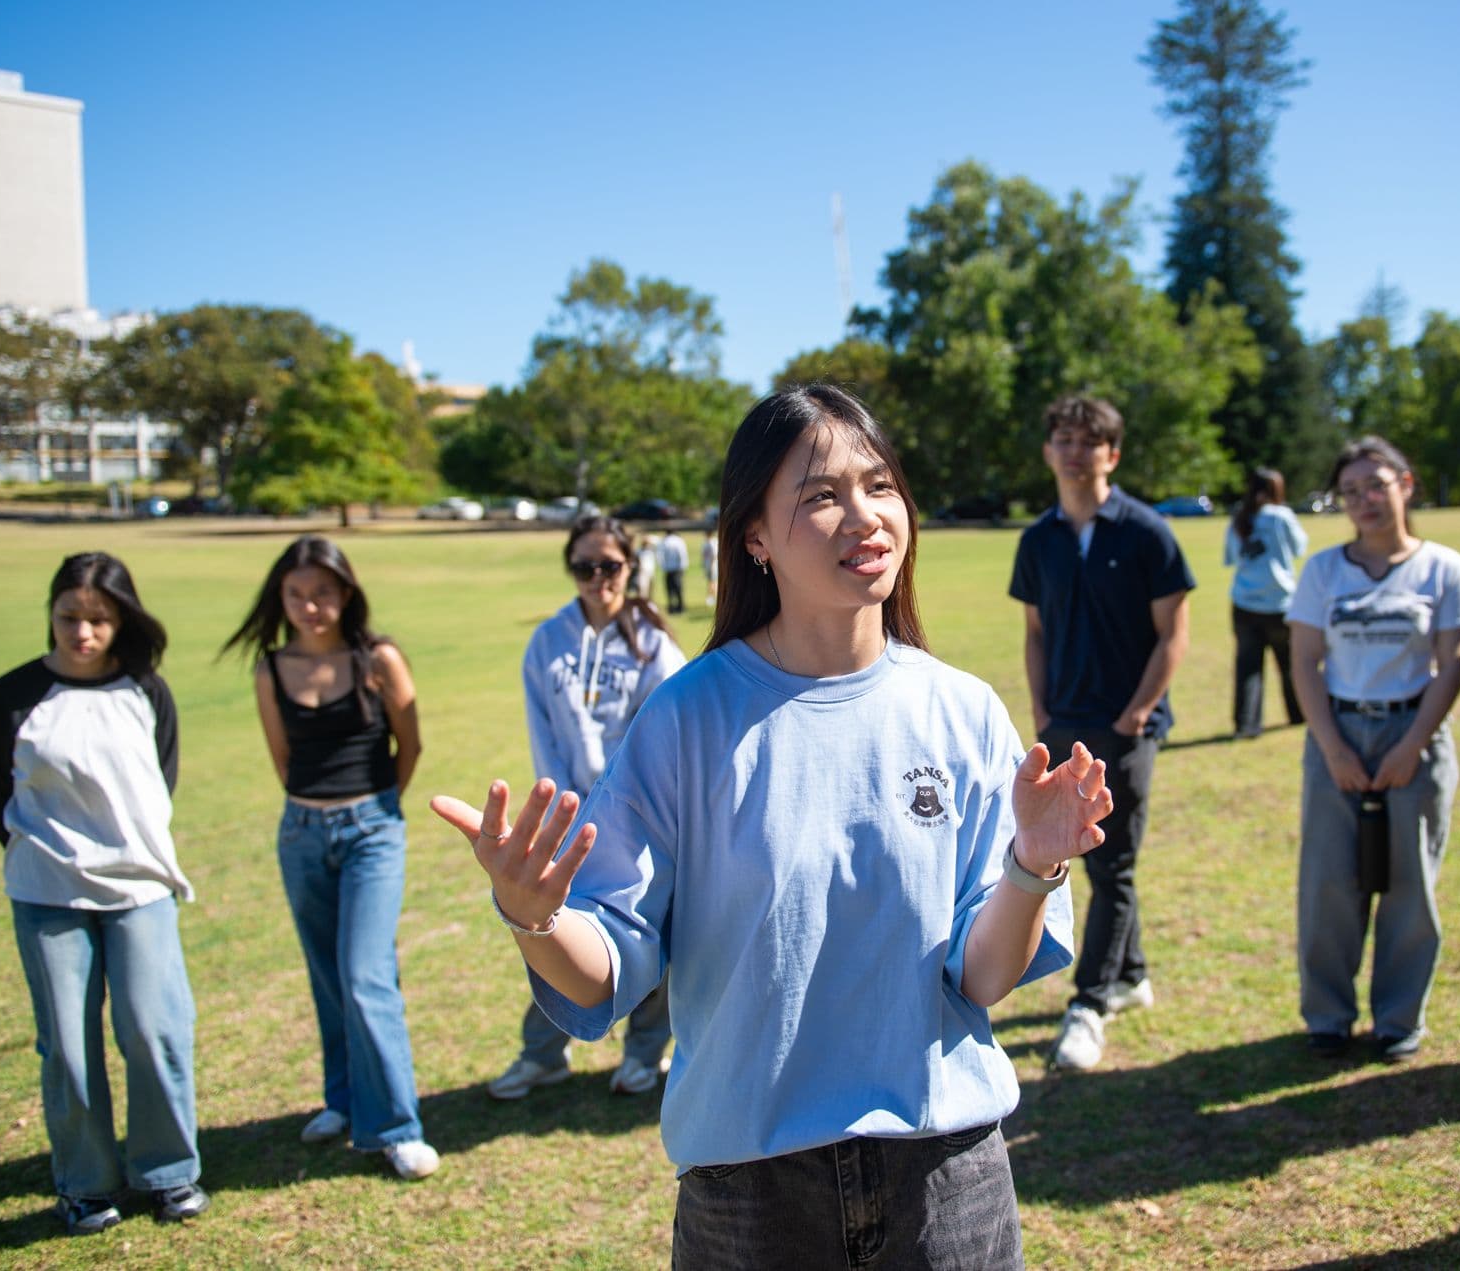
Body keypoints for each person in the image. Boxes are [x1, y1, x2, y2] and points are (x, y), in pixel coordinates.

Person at [431, 384, 1103, 1269]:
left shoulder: (963, 712)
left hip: (948, 1179)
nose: (863, 516)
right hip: (749, 1196)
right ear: (753, 535)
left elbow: (980, 978)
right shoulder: (686, 719)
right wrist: (535, 914)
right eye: (821, 495)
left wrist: (1031, 868)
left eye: (880, 486)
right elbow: (603, 979)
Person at [0, 552, 208, 1235]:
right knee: (68, 1046)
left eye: (98, 619)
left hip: (140, 887)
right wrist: (50, 854)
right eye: (69, 617)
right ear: (50, 613)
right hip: (48, 892)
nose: (82, 632)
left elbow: (160, 780)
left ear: (121, 620)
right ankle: (85, 1183)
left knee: (154, 1028)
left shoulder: (145, 690)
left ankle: (170, 1171)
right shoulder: (10, 698)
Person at [222, 535, 439, 1180]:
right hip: (301, 833)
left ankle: (397, 1127)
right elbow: (283, 761)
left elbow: (411, 744)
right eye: (296, 595)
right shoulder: (270, 669)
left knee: (365, 973)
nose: (309, 606)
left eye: (322, 593)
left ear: (346, 593)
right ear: (280, 599)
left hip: (372, 828)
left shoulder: (378, 658)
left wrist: (376, 811)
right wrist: (318, 815)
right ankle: (342, 1101)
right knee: (326, 975)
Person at [1010, 394, 1194, 1072]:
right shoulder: (1038, 540)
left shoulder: (1147, 532)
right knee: (1088, 858)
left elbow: (1174, 632)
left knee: (1111, 863)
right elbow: (1033, 633)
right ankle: (1133, 972)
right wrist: (1042, 710)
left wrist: (1138, 712)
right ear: (1048, 450)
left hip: (1127, 723)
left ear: (1112, 453)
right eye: (1062, 437)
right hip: (1065, 721)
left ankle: (1088, 1003)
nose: (1074, 449)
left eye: (1089, 440)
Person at [1287, 436, 1460, 1063]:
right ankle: (1328, 1016)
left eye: (1376, 484)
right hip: (1337, 734)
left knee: (1409, 885)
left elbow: (1453, 665)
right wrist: (1335, 749)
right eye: (1350, 491)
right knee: (1328, 884)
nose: (1364, 500)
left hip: (1414, 735)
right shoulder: (1323, 570)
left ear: (1407, 484)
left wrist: (1411, 747)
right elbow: (1305, 664)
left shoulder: (1443, 567)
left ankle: (1398, 1018)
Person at [488, 514, 685, 1100]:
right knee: (553, 937)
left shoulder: (654, 644)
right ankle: (542, 1054)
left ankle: (644, 1055)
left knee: (651, 936)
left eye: (611, 565)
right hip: (568, 823)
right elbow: (541, 729)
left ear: (630, 567)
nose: (599, 577)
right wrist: (561, 810)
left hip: (642, 822)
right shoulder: (548, 640)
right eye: (585, 566)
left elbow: (667, 734)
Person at [1225, 467, 1309, 738]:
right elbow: (1299, 548)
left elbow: (1230, 557)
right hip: (1280, 603)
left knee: (1248, 667)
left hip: (1244, 603)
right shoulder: (1282, 516)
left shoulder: (1240, 516)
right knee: (1290, 663)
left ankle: (1246, 725)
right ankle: (1298, 715)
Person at [659, 529, 690, 614]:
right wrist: (683, 566)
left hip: (668, 569)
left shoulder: (665, 541)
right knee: (679, 588)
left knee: (670, 589)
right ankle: (681, 606)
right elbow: (682, 554)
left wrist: (664, 567)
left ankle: (671, 607)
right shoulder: (679, 541)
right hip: (678, 568)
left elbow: (660, 556)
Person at [701, 530, 718, 607]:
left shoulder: (712, 543)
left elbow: (714, 555)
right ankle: (711, 597)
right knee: (710, 582)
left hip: (712, 566)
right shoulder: (707, 543)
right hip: (708, 566)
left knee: (713, 582)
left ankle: (713, 598)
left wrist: (711, 566)